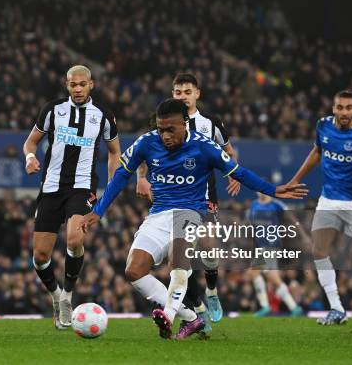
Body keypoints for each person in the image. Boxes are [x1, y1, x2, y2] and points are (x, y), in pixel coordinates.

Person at [81, 99, 307, 339]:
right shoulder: (147, 143)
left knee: (178, 265)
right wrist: (99, 210)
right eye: (161, 129)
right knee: (134, 271)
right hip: (158, 214)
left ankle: (168, 315)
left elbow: (239, 172)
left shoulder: (205, 147)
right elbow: (121, 175)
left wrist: (273, 190)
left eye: (171, 129)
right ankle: (191, 318)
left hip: (191, 211)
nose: (165, 135)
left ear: (185, 124)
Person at [135, 74, 239, 330]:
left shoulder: (210, 123)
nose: (182, 95)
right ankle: (196, 309)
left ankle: (212, 292)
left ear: (197, 94)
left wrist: (234, 175)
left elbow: (228, 151)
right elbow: (145, 153)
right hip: (174, 198)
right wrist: (141, 178)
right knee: (182, 257)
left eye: (187, 91)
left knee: (209, 251)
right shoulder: (165, 121)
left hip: (205, 194)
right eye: (178, 91)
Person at [23, 65, 121, 329]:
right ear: (66, 86)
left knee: (75, 237)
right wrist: (30, 157)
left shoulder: (102, 115)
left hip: (82, 185)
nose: (77, 89)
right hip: (51, 186)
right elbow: (31, 141)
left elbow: (114, 152)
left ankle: (67, 294)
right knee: (40, 256)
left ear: (91, 84)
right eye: (72, 85)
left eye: (82, 84)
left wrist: (111, 187)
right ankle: (55, 296)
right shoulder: (53, 110)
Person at [288, 90, 352, 326]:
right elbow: (316, 153)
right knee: (319, 251)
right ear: (333, 108)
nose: (343, 112)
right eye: (339, 107)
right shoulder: (323, 126)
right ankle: (336, 308)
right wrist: (295, 179)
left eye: (348, 108)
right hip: (328, 200)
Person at [246, 192, 304, 317]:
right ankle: (293, 307)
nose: (259, 191)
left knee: (255, 272)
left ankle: (265, 306)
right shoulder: (254, 205)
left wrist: (302, 234)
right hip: (261, 245)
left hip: (271, 244)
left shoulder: (276, 204)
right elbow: (252, 224)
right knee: (272, 277)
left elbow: (291, 218)